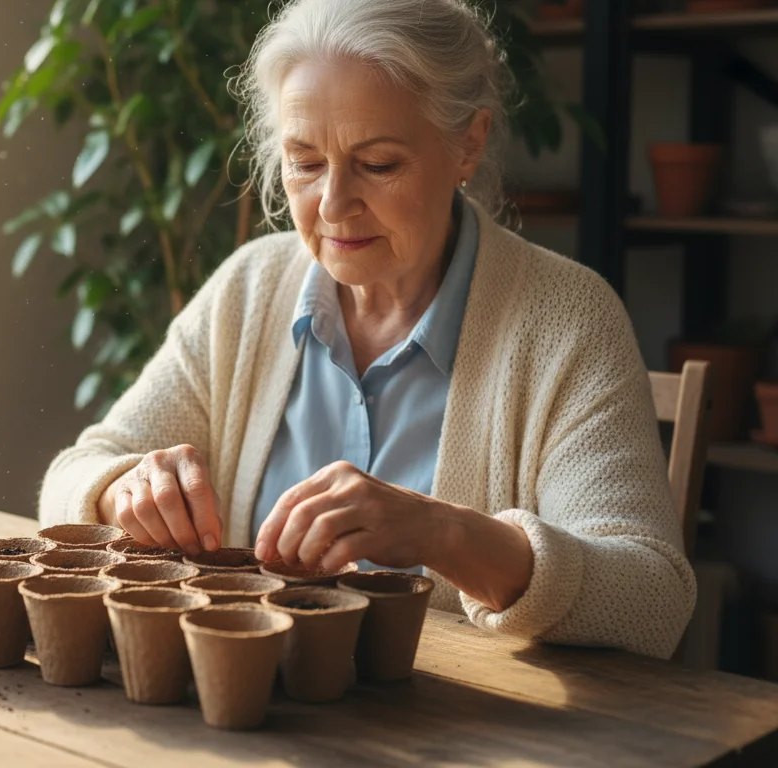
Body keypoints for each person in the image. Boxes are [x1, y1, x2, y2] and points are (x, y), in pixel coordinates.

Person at [37, 0, 695, 659]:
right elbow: (73, 476)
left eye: (377, 164)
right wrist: (119, 488)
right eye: (305, 162)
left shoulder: (567, 319)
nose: (332, 206)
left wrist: (446, 535)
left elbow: (653, 600)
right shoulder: (249, 289)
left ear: (469, 142)